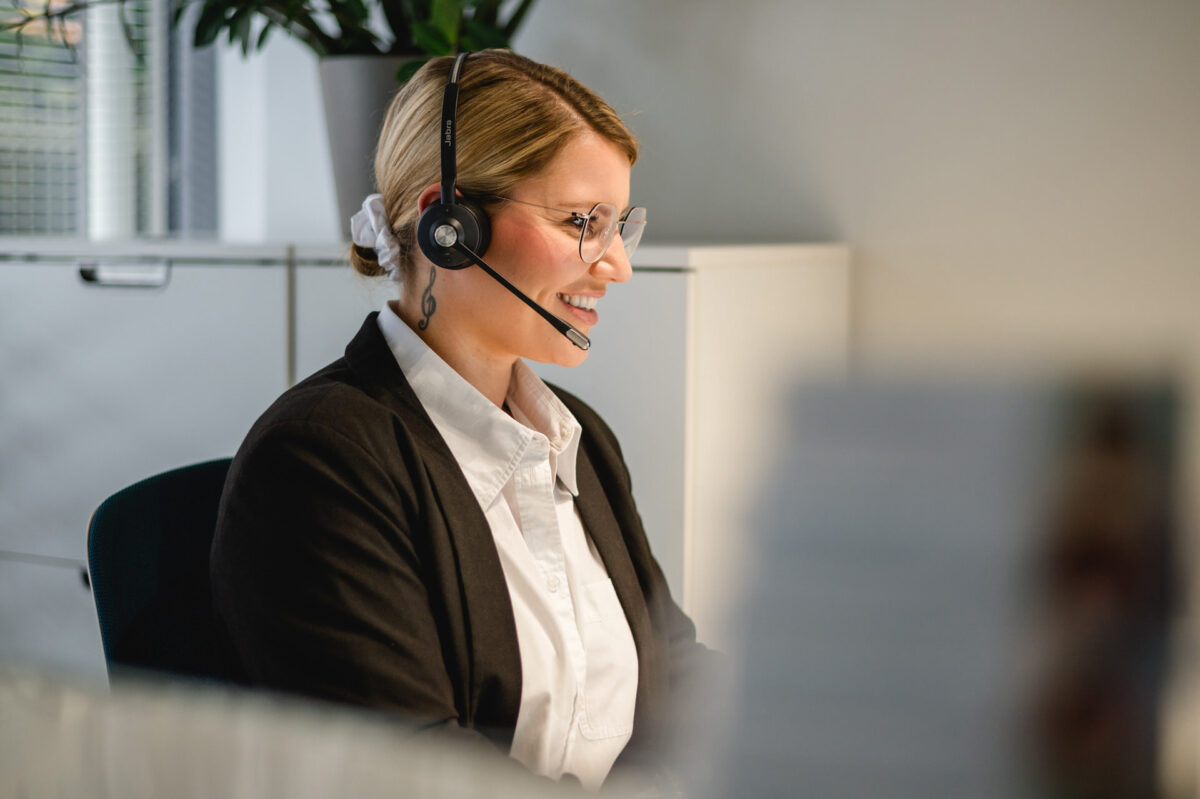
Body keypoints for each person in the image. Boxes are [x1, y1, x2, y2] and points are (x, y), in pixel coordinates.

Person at [210, 49, 713, 791]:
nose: (616, 266)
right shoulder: (320, 460)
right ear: (449, 224)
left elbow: (677, 677)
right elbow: (417, 769)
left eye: (618, 226)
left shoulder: (578, 439)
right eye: (582, 221)